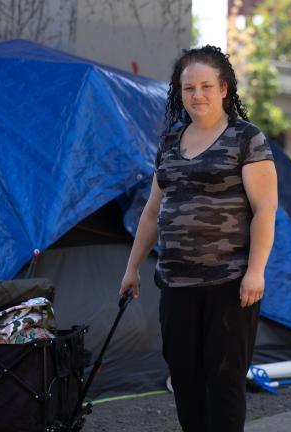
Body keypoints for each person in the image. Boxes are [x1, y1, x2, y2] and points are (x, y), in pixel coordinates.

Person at [119, 45, 278, 432]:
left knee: (224, 381)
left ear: (224, 88)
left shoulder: (247, 139)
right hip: (176, 282)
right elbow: (153, 212)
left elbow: (264, 210)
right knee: (185, 378)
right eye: (189, 88)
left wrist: (255, 271)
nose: (197, 95)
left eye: (206, 86)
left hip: (229, 283)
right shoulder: (171, 142)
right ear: (180, 92)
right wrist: (132, 269)